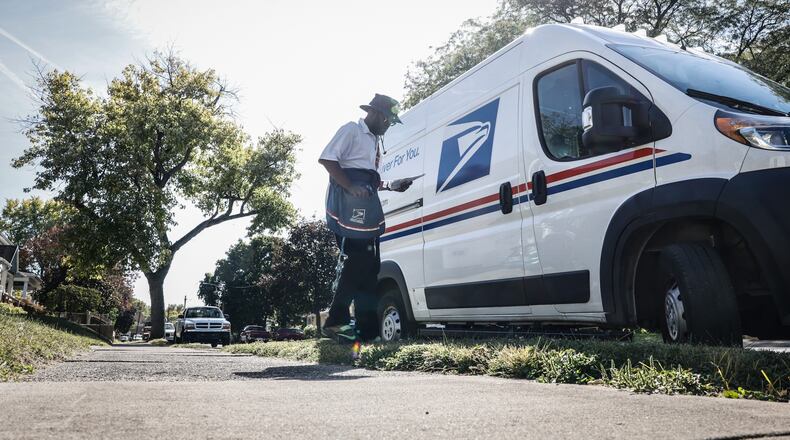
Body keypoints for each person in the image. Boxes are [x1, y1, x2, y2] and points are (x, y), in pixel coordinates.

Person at [318, 93, 414, 341]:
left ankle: (366, 331)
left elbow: (369, 178)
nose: (389, 125)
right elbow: (327, 159)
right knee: (358, 260)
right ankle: (335, 322)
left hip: (365, 205)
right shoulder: (352, 130)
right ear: (378, 115)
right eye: (389, 120)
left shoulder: (374, 142)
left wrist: (392, 184)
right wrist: (350, 187)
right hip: (346, 206)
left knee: (371, 267)